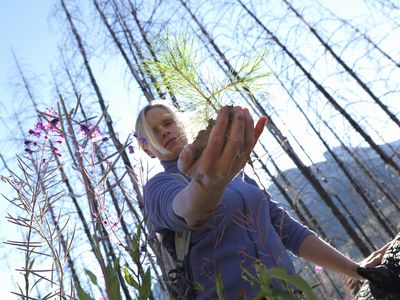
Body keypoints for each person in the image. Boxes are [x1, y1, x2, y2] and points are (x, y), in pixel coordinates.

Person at [135, 101, 389, 299]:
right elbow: (188, 210)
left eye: (167, 122)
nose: (164, 132)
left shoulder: (235, 173)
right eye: (153, 132)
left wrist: (357, 270)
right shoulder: (159, 187)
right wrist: (207, 184)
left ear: (181, 123)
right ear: (147, 149)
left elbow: (286, 230)